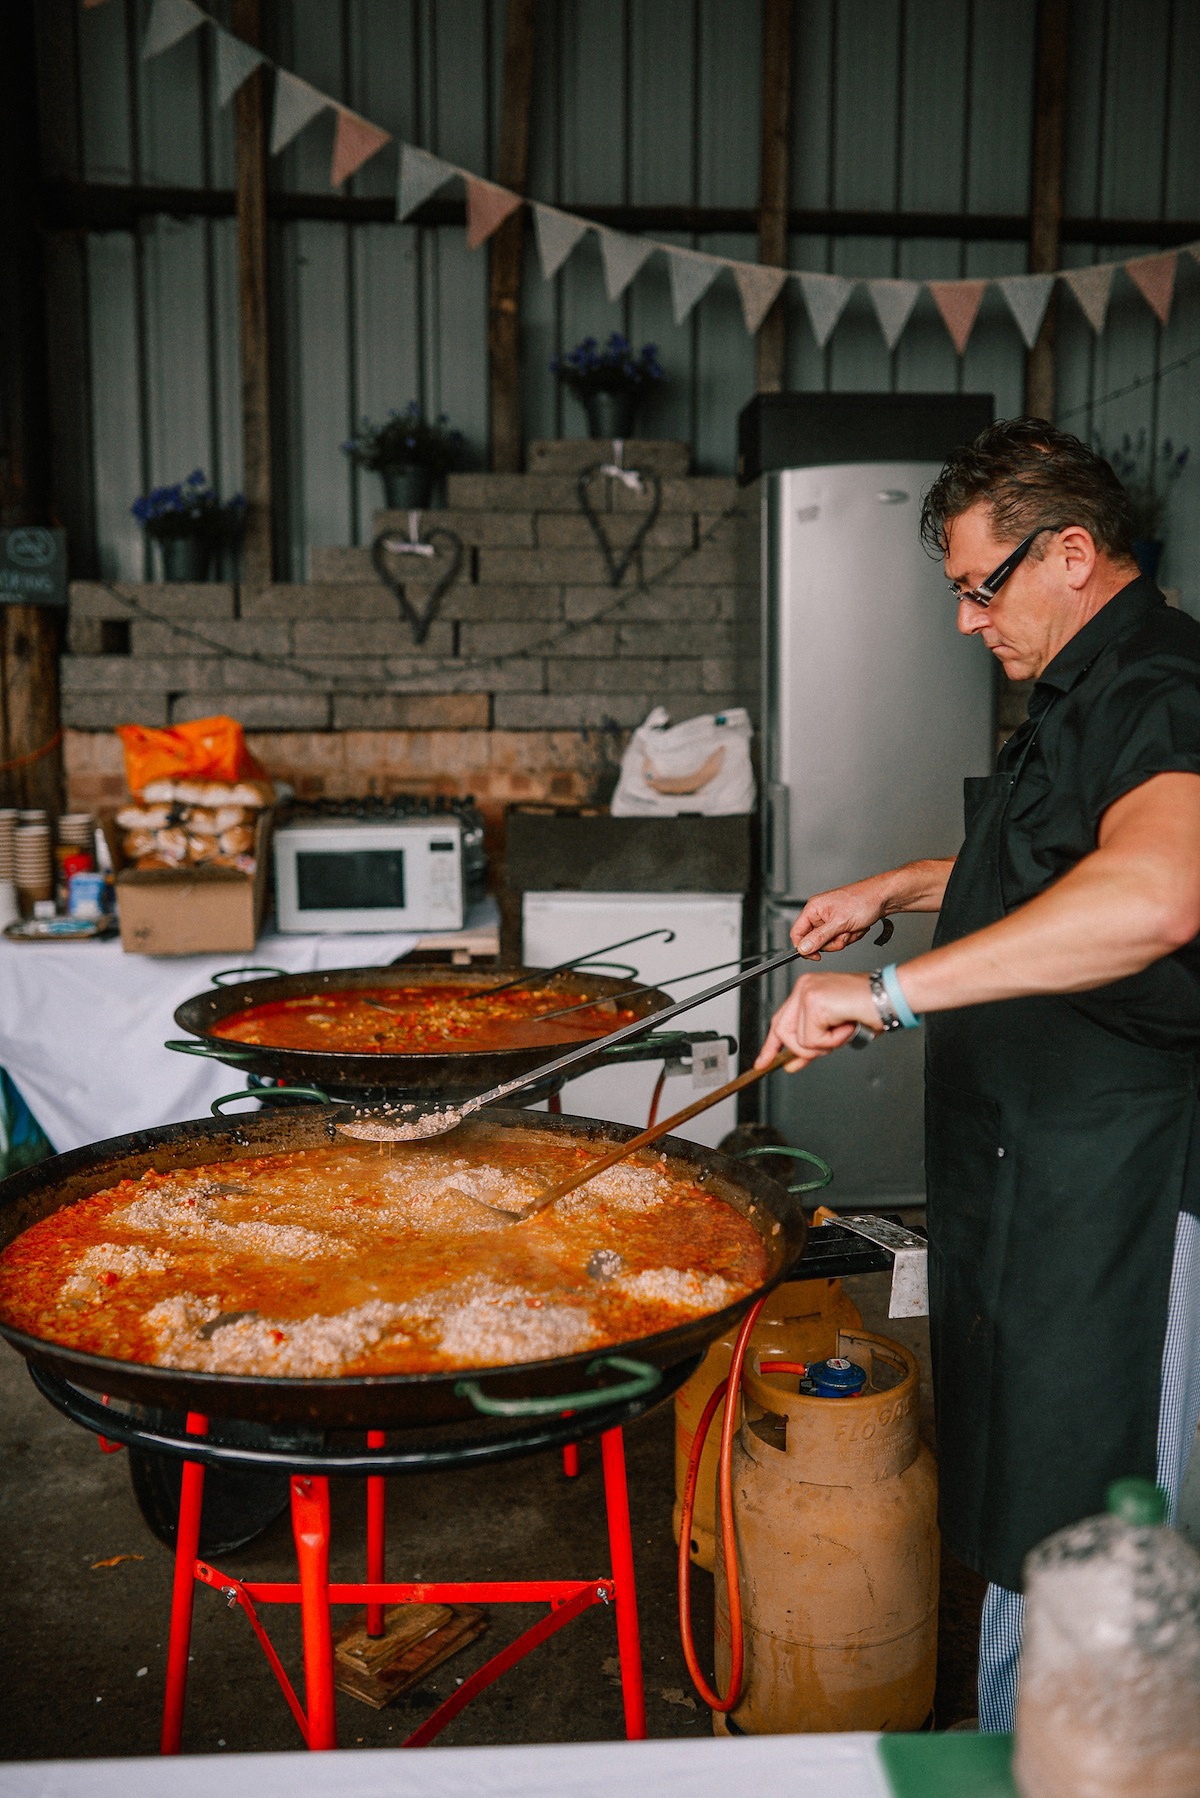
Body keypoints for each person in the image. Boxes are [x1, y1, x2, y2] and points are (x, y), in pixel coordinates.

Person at [756, 417, 1200, 1730]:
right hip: (1033, 1177)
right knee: (1027, 1480)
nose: (965, 621)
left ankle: (1069, 1752)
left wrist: (888, 996)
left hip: (1119, 1187)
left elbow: (1159, 890)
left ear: (1071, 553)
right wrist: (891, 888)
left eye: (977, 586)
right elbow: (1053, 864)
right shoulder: (1080, 689)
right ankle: (1018, 1731)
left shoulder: (1162, 687)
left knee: (1098, 1508)